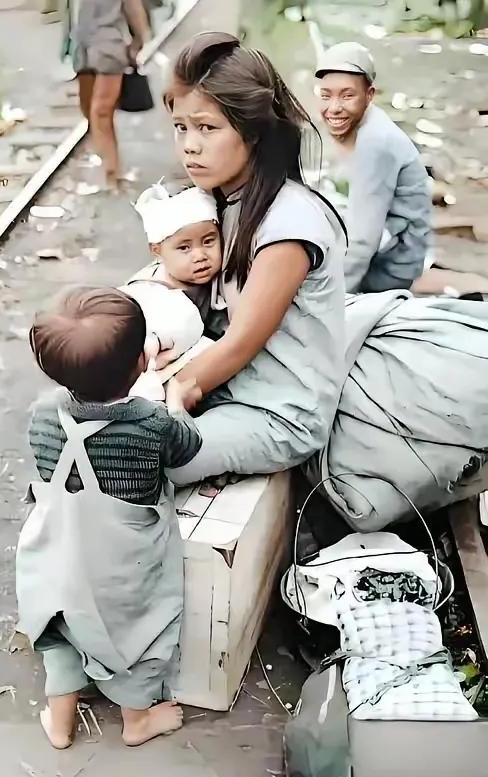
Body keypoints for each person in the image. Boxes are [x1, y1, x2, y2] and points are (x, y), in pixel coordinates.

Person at [18, 287, 202, 748]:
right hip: (122, 559)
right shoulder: (150, 422)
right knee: (137, 632)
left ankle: (60, 725)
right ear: (142, 361)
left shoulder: (42, 415)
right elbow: (187, 448)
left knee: (62, 631)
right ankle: (138, 721)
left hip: (56, 551)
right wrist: (176, 403)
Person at [162, 31, 347, 486]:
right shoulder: (221, 201)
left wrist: (170, 392)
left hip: (278, 412)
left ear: (254, 133)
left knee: (137, 457)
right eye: (181, 127)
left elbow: (242, 341)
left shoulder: (289, 223)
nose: (190, 145)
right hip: (232, 389)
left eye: (207, 128)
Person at [315, 42, 431, 294]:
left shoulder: (375, 142)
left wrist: (335, 301)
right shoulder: (366, 125)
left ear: (369, 95)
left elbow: (363, 241)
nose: (333, 107)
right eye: (326, 95)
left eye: (347, 95)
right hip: (390, 247)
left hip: (390, 268)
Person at [123, 181, 221, 374]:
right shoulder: (152, 298)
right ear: (157, 251)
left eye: (208, 241)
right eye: (184, 248)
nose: (200, 255)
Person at [73, 0, 151, 188]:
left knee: (101, 111)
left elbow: (132, 4)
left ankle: (111, 174)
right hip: (81, 43)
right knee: (89, 109)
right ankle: (108, 166)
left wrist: (140, 38)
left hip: (108, 43)